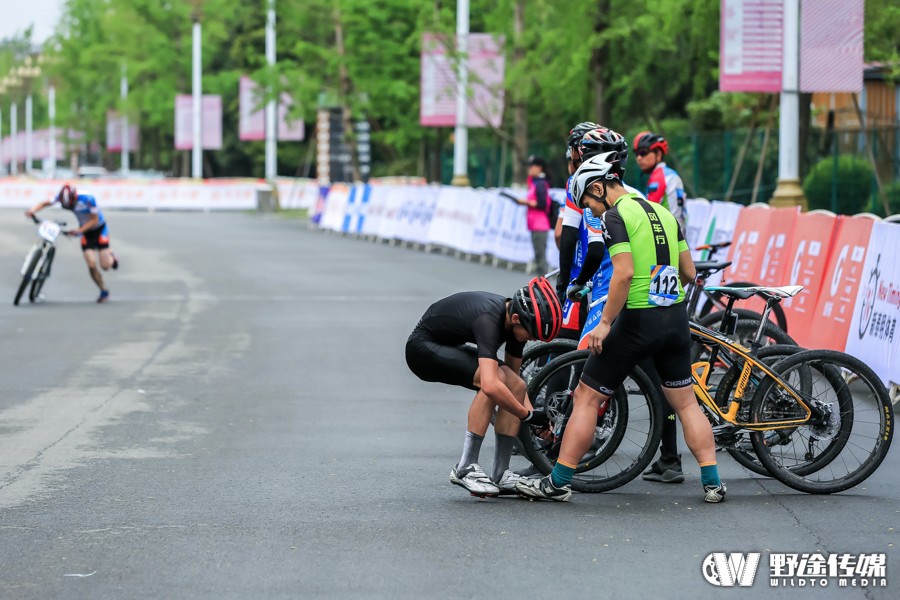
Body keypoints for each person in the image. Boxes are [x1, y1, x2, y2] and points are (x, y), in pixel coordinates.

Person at [516, 149, 726, 503]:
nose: (589, 210)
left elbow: (624, 274)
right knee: (686, 404)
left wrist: (604, 324)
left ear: (599, 188)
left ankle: (558, 482)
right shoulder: (661, 212)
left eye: (587, 201)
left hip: (636, 322)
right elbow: (690, 273)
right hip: (675, 319)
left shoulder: (616, 217)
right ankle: (713, 483)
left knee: (586, 397)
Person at [406, 277, 562, 497]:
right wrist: (527, 416)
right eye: (533, 334)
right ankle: (465, 467)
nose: (533, 339)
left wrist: (535, 418)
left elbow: (515, 384)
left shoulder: (516, 323)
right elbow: (491, 385)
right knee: (493, 381)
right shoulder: (489, 320)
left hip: (450, 344)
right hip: (422, 350)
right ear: (517, 318)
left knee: (511, 381)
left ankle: (501, 473)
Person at [25, 184, 119, 303]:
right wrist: (32, 210)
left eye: (71, 206)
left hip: (99, 230)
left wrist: (79, 231)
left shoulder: (88, 198)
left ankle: (111, 255)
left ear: (75, 198)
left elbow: (94, 219)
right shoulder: (61, 197)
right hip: (86, 233)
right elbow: (45, 203)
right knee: (91, 265)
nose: (70, 207)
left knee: (105, 266)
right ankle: (103, 290)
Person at [633, 131, 686, 232]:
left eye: (643, 152)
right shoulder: (668, 174)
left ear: (658, 153)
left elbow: (647, 214)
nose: (639, 158)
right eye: (636, 154)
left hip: (669, 236)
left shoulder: (660, 177)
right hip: (677, 235)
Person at [514, 156, 552, 276]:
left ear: (539, 168)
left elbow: (542, 204)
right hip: (535, 224)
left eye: (531, 166)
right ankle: (541, 284)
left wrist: (525, 202)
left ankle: (543, 286)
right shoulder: (535, 182)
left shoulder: (540, 183)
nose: (529, 169)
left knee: (540, 257)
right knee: (538, 256)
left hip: (540, 224)